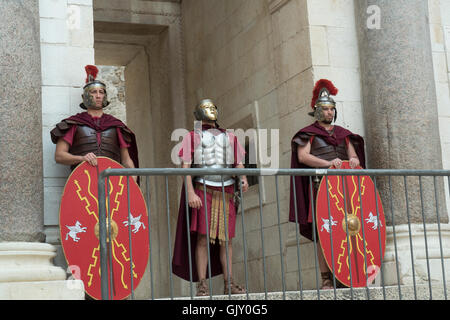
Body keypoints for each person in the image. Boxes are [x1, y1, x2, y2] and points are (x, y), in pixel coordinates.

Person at [289, 79, 366, 289]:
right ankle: (326, 278)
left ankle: (349, 274)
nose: (329, 113)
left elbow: (353, 157)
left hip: (345, 190)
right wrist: (327, 164)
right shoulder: (308, 134)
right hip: (320, 188)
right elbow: (303, 157)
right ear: (316, 111)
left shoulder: (343, 134)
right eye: (325, 109)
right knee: (324, 234)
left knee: (348, 229)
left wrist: (354, 161)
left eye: (332, 109)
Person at [172, 99, 248, 296]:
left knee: (226, 240)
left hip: (227, 190)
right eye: (206, 108)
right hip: (203, 188)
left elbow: (238, 163)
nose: (210, 111)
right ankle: (202, 284)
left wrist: (244, 178)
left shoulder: (230, 137)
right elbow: (185, 167)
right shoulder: (191, 136)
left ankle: (229, 282)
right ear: (198, 113)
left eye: (213, 107)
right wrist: (189, 191)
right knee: (202, 238)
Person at [50, 65, 139, 177]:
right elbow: (59, 156)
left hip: (112, 184)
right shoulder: (74, 123)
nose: (98, 96)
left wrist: (134, 184)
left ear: (105, 96)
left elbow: (126, 161)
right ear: (85, 96)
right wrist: (82, 158)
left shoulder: (116, 125)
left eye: (101, 92)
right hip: (81, 183)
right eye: (93, 92)